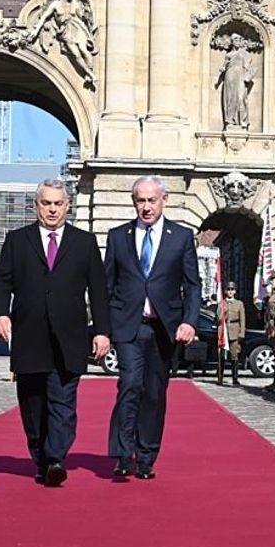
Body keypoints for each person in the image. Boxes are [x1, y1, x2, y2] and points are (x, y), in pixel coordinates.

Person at [0, 178, 110, 487]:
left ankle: (56, 457)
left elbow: (98, 290)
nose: (53, 209)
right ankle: (41, 456)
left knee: (63, 401)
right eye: (46, 203)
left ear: (67, 206)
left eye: (58, 203)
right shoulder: (18, 240)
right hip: (29, 338)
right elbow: (0, 281)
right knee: (32, 404)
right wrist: (1, 314)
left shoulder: (84, 242)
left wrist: (102, 332)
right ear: (36, 206)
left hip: (69, 337)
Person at [103, 176, 200, 480]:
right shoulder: (118, 236)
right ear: (134, 202)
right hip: (128, 325)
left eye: (151, 200)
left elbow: (193, 285)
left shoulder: (181, 237)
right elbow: (107, 285)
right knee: (129, 385)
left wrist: (189, 321)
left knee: (154, 393)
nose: (146, 207)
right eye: (140, 201)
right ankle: (122, 453)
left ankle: (146, 456)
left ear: (164, 200)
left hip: (163, 329)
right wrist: (103, 329)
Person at [222, 281, 247, 385]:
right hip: (224, 331)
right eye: (228, 289)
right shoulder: (222, 303)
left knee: (234, 355)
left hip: (234, 330)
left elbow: (242, 319)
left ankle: (235, 377)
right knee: (222, 355)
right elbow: (217, 318)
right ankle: (220, 376)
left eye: (232, 290)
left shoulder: (239, 304)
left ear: (235, 291)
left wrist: (242, 333)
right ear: (225, 291)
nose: (230, 292)